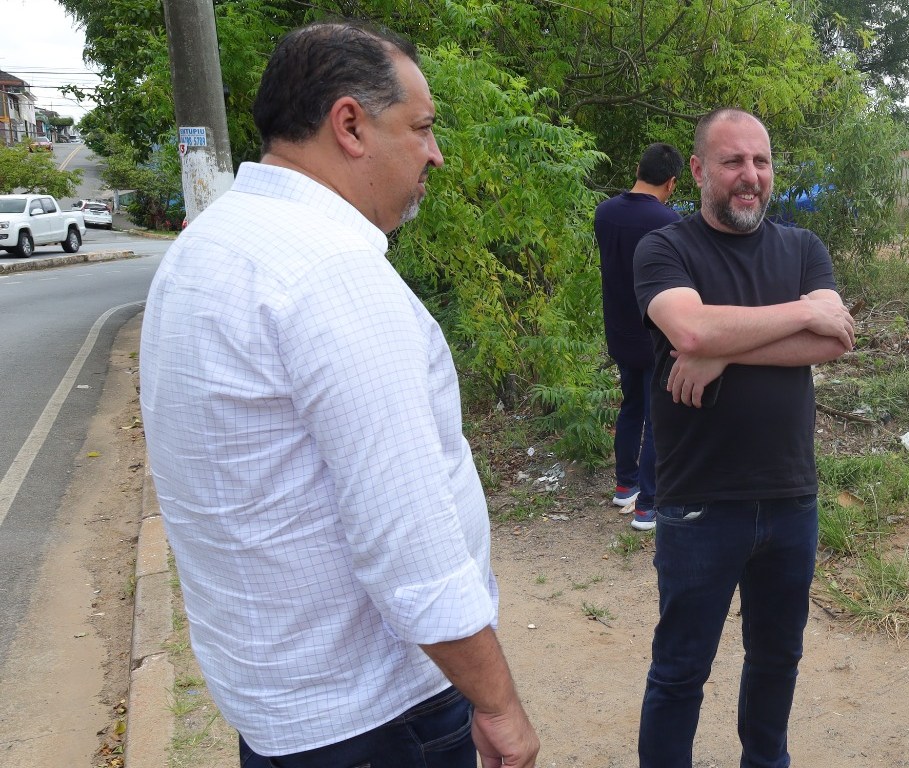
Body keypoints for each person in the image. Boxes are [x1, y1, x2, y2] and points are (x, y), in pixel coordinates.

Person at [139, 21, 539, 768]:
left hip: (281, 708)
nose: (434, 153)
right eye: (420, 127)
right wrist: (498, 704)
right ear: (350, 125)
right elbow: (409, 544)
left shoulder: (207, 245)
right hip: (378, 717)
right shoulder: (332, 274)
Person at [632, 108, 855, 768]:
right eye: (733, 161)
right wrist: (802, 312)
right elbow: (690, 330)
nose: (750, 176)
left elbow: (835, 340)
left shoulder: (802, 248)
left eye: (761, 162)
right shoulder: (665, 249)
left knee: (777, 659)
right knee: (680, 671)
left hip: (791, 497)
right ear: (699, 170)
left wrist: (725, 350)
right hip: (700, 501)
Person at [595, 142, 683, 531]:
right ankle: (648, 506)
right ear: (672, 183)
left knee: (631, 407)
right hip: (655, 336)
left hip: (619, 331)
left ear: (637, 169)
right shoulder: (669, 222)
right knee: (657, 416)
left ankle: (624, 485)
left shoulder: (604, 213)